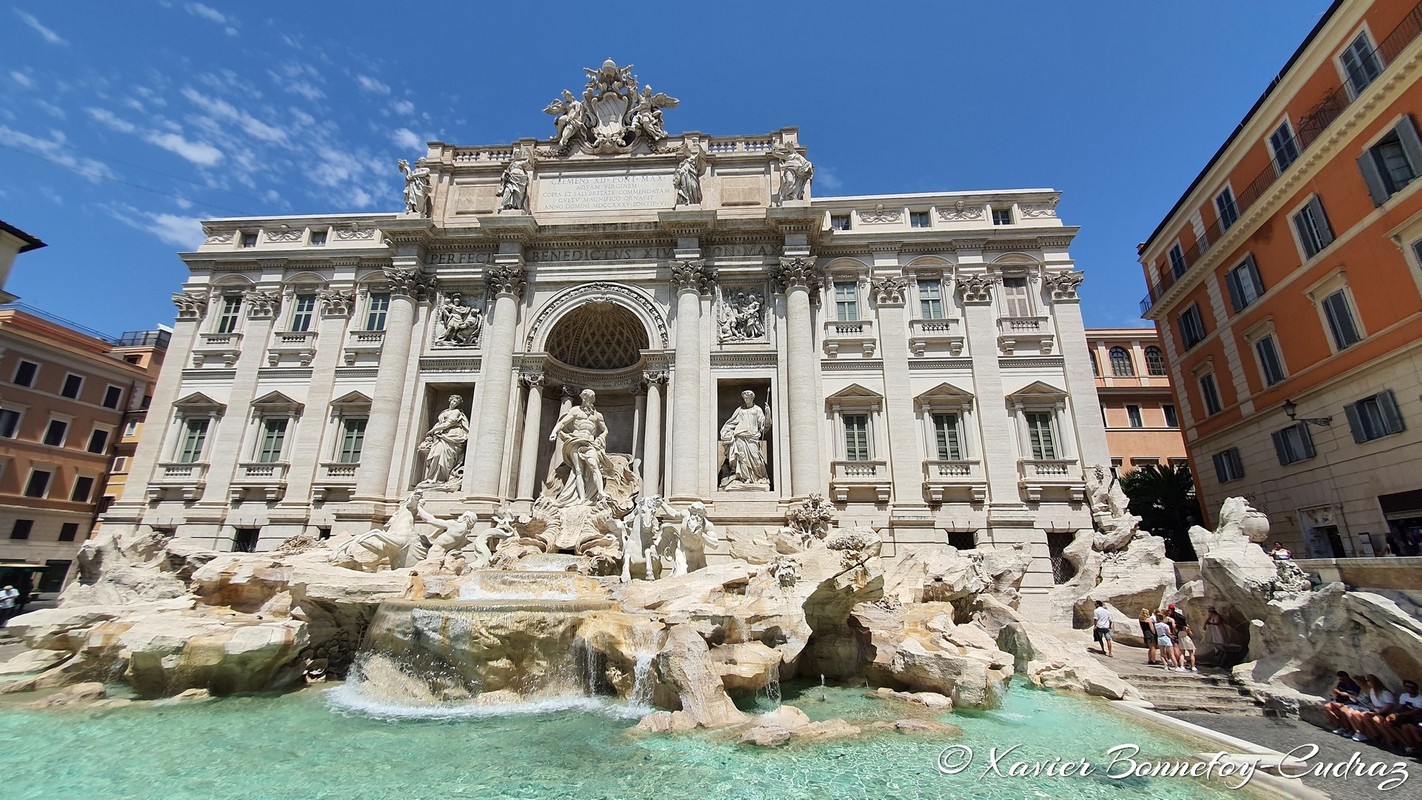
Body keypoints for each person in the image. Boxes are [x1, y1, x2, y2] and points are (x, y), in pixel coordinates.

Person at [548, 389, 616, 506]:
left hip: (590, 443)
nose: (587, 399)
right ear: (582, 398)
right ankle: (581, 498)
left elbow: (605, 430)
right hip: (576, 441)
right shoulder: (575, 411)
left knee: (594, 466)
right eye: (585, 397)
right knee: (578, 470)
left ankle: (600, 492)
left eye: (590, 397)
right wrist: (554, 432)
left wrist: (601, 437)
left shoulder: (597, 415)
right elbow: (562, 423)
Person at [718, 390, 770, 490]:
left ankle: (757, 477)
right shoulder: (740, 410)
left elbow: (764, 427)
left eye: (747, 397)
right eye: (744, 398)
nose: (745, 399)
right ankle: (744, 478)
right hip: (740, 437)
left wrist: (768, 414)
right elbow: (731, 422)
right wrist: (726, 431)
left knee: (756, 458)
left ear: (752, 398)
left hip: (752, 438)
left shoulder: (757, 410)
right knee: (741, 459)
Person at [417, 395, 469, 486]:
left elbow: (448, 423)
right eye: (453, 401)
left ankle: (441, 479)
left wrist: (433, 430)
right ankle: (432, 478)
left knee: (446, 457)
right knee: (436, 454)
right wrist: (434, 432)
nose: (454, 403)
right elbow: (440, 423)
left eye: (456, 402)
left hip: (452, 436)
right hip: (441, 436)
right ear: (450, 401)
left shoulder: (456, 412)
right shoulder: (444, 412)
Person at [1340, 674, 1397, 743]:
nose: (1367, 682)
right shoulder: (1372, 690)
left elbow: (1389, 705)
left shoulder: (1384, 692)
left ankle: (1391, 738)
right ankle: (1375, 735)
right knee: (1364, 716)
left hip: (1385, 711)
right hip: (1376, 709)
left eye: (1369, 681)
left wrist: (1378, 712)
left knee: (1373, 718)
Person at [1380, 679, 1421, 753]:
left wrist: (1398, 714)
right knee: (1386, 723)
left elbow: (1415, 711)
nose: (1409, 688)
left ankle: (1411, 746)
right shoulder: (1404, 696)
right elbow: (1399, 707)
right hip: (1404, 717)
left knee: (1405, 726)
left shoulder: (1420, 698)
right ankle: (1404, 744)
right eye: (1407, 686)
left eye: (1411, 687)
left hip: (1415, 718)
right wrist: (1391, 713)